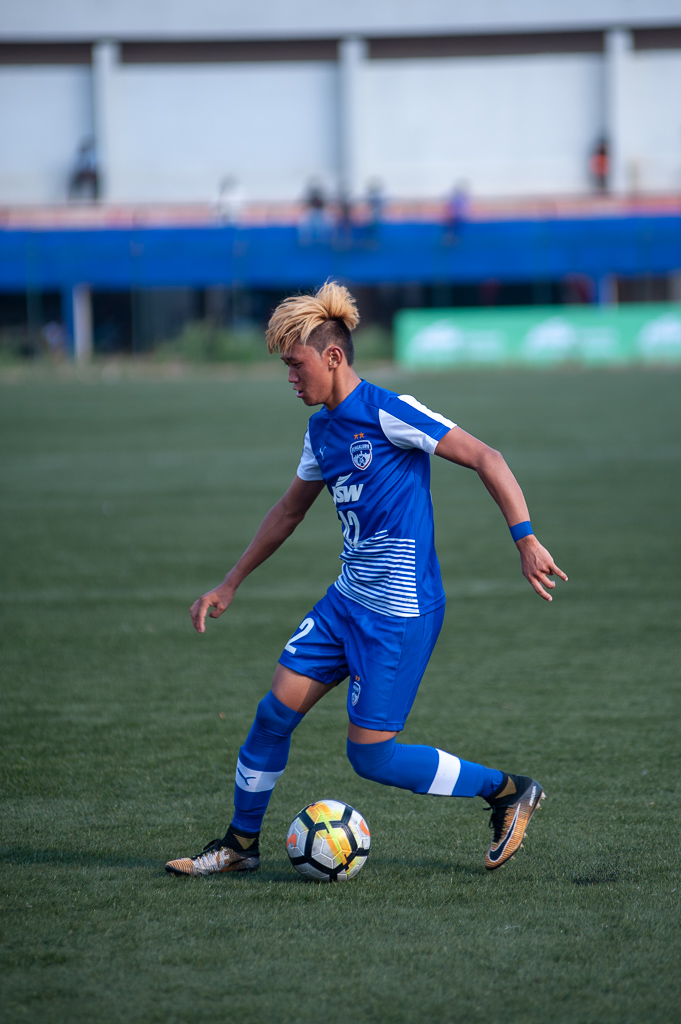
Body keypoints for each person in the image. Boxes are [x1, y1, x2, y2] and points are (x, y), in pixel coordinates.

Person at [165, 282, 567, 878]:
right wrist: (231, 583)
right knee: (273, 714)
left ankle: (508, 791)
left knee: (371, 758)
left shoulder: (388, 410)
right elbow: (288, 511)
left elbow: (487, 457)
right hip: (345, 603)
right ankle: (239, 846)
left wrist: (525, 538)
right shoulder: (322, 432)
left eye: (296, 365)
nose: (292, 379)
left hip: (400, 614)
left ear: (332, 357)